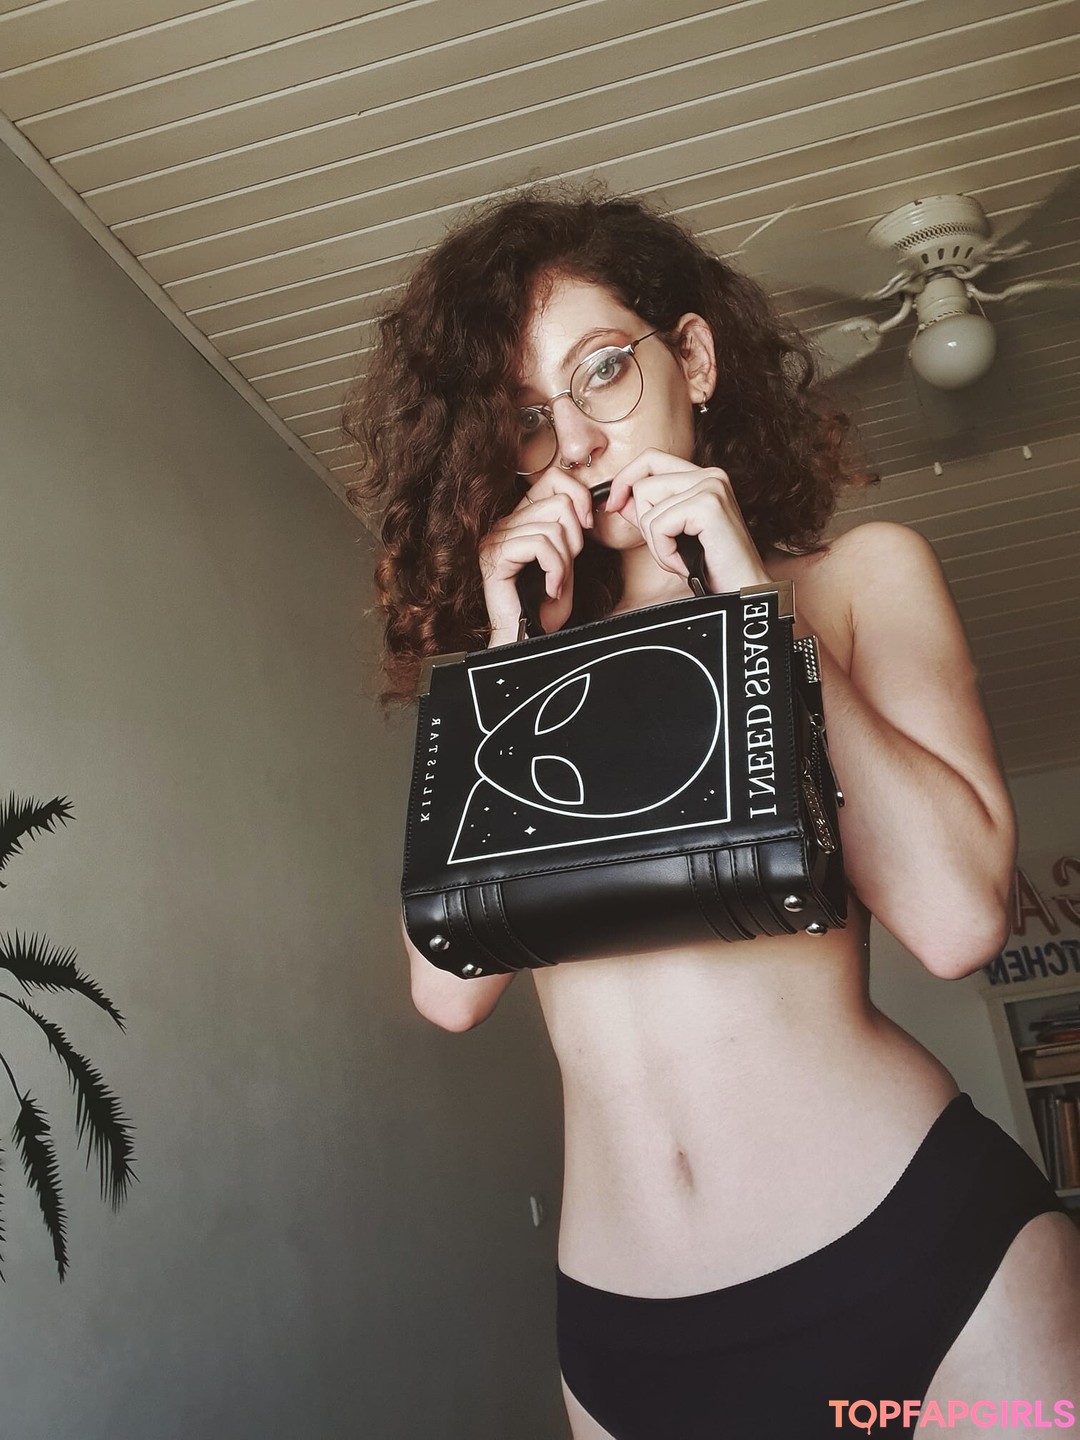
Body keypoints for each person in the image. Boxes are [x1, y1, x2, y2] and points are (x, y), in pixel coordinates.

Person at [344, 187, 1080, 1438]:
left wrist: (755, 610)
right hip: (628, 1337)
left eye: (604, 370)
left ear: (691, 357)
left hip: (928, 1267)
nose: (578, 443)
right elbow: (447, 990)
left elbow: (959, 922)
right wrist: (514, 658)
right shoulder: (524, 665)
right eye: (530, 417)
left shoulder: (857, 581)